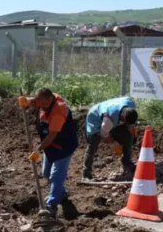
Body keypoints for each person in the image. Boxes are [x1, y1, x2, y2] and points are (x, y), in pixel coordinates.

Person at [19, 87, 79, 219]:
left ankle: (52, 206)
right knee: (46, 172)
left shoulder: (58, 111)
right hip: (51, 146)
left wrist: (37, 150)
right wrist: (27, 101)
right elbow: (36, 101)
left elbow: (51, 137)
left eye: (43, 104)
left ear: (50, 99)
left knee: (56, 175)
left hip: (64, 146)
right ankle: (61, 193)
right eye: (39, 104)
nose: (41, 107)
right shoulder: (45, 101)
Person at [82, 96, 138, 180]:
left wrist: (131, 134)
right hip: (95, 118)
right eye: (127, 123)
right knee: (93, 143)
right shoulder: (108, 120)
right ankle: (86, 174)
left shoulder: (131, 104)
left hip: (112, 116)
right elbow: (105, 137)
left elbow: (129, 126)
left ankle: (127, 163)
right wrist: (115, 142)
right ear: (123, 117)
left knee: (128, 136)